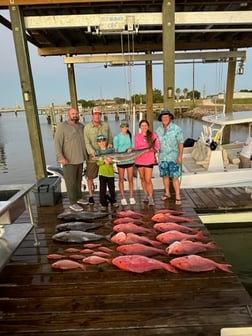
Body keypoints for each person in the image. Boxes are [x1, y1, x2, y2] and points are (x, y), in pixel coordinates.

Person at [54, 107, 88, 212]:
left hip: (80, 158)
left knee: (78, 180)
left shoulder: (81, 126)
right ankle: (72, 203)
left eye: (76, 113)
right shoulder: (62, 127)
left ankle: (79, 197)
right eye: (73, 113)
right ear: (68, 115)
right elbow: (57, 143)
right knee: (70, 182)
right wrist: (61, 157)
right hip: (68, 160)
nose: (75, 115)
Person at [83, 107, 113, 204]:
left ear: (101, 115)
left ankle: (106, 195)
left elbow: (111, 138)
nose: (97, 116)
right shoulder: (87, 127)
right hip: (93, 156)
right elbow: (87, 142)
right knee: (90, 176)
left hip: (105, 155)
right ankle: (91, 196)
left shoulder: (106, 125)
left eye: (99, 114)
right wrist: (92, 151)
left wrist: (110, 144)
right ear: (92, 115)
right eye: (95, 114)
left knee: (105, 177)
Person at [156, 109, 184, 205]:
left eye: (167, 117)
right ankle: (167, 193)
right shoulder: (158, 130)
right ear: (161, 119)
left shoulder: (177, 129)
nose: (165, 118)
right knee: (165, 176)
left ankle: (178, 195)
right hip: (162, 157)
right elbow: (156, 144)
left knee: (175, 176)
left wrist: (180, 156)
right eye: (163, 117)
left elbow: (181, 143)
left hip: (173, 157)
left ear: (170, 118)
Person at [134, 119, 160, 206]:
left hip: (149, 160)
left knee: (148, 180)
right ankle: (146, 195)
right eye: (142, 126)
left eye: (145, 125)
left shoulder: (153, 135)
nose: (144, 127)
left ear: (148, 126)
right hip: (139, 160)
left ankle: (151, 197)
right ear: (140, 127)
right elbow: (136, 148)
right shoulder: (137, 136)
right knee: (142, 179)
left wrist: (153, 149)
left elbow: (157, 147)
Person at [113, 119, 136, 206]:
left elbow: (133, 146)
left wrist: (131, 149)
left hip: (130, 159)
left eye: (126, 126)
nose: (124, 128)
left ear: (127, 127)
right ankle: (123, 197)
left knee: (130, 179)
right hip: (121, 161)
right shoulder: (117, 137)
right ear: (120, 127)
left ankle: (131, 196)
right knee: (121, 179)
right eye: (122, 126)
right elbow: (115, 150)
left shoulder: (131, 136)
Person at [96, 134, 118, 211]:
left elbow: (114, 160)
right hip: (102, 173)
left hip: (110, 173)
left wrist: (111, 162)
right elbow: (98, 163)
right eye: (100, 141)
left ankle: (113, 201)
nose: (102, 142)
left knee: (112, 188)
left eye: (103, 140)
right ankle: (103, 203)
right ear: (98, 143)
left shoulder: (110, 150)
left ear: (105, 141)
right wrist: (104, 162)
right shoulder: (98, 151)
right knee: (102, 189)